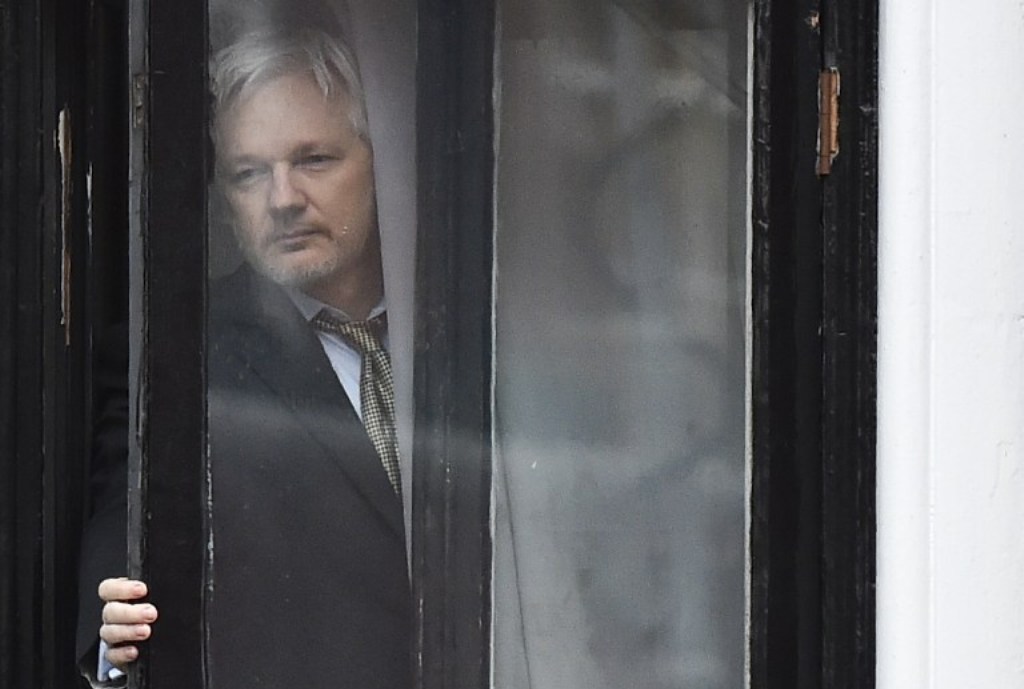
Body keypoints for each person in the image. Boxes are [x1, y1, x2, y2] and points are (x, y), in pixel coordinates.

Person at [78, 27, 411, 689]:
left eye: (314, 159)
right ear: (225, 200)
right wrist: (112, 626)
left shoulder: (465, 322)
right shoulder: (180, 354)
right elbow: (128, 513)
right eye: (249, 172)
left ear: (383, 161)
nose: (282, 198)